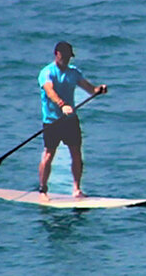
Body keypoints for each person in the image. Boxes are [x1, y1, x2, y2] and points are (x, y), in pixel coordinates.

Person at [38, 41, 107, 199]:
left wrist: (98, 90)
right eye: (66, 56)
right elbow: (49, 91)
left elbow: (90, 89)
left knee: (76, 153)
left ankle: (76, 189)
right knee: (49, 154)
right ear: (57, 54)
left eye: (70, 57)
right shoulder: (47, 72)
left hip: (70, 120)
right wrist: (62, 105)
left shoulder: (73, 72)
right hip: (52, 121)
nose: (68, 60)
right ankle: (43, 190)